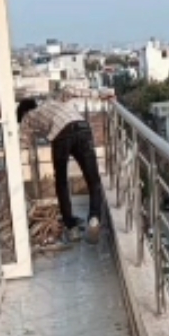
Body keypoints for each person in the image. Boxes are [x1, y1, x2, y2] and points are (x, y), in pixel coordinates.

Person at [17, 96, 105, 240]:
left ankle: (71, 227)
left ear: (23, 112)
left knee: (61, 182)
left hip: (61, 135)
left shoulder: (27, 116)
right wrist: (101, 96)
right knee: (93, 178)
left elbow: (21, 142)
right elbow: (70, 91)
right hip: (83, 127)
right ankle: (94, 219)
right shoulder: (52, 101)